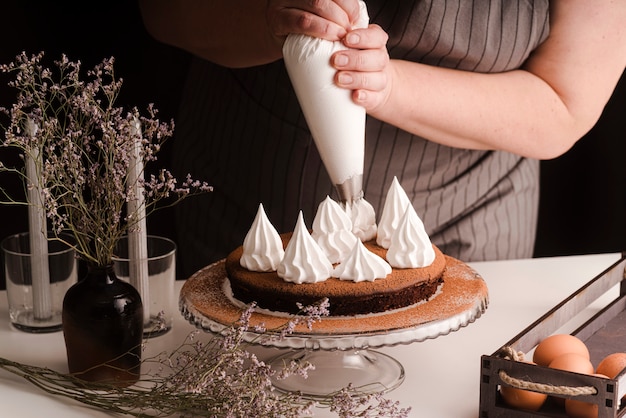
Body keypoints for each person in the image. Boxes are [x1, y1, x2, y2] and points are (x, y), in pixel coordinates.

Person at [138, 0, 626, 279]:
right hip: (256, 195)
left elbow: (563, 103)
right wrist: (269, 21)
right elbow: (161, 12)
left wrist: (385, 85)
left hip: (474, 217)